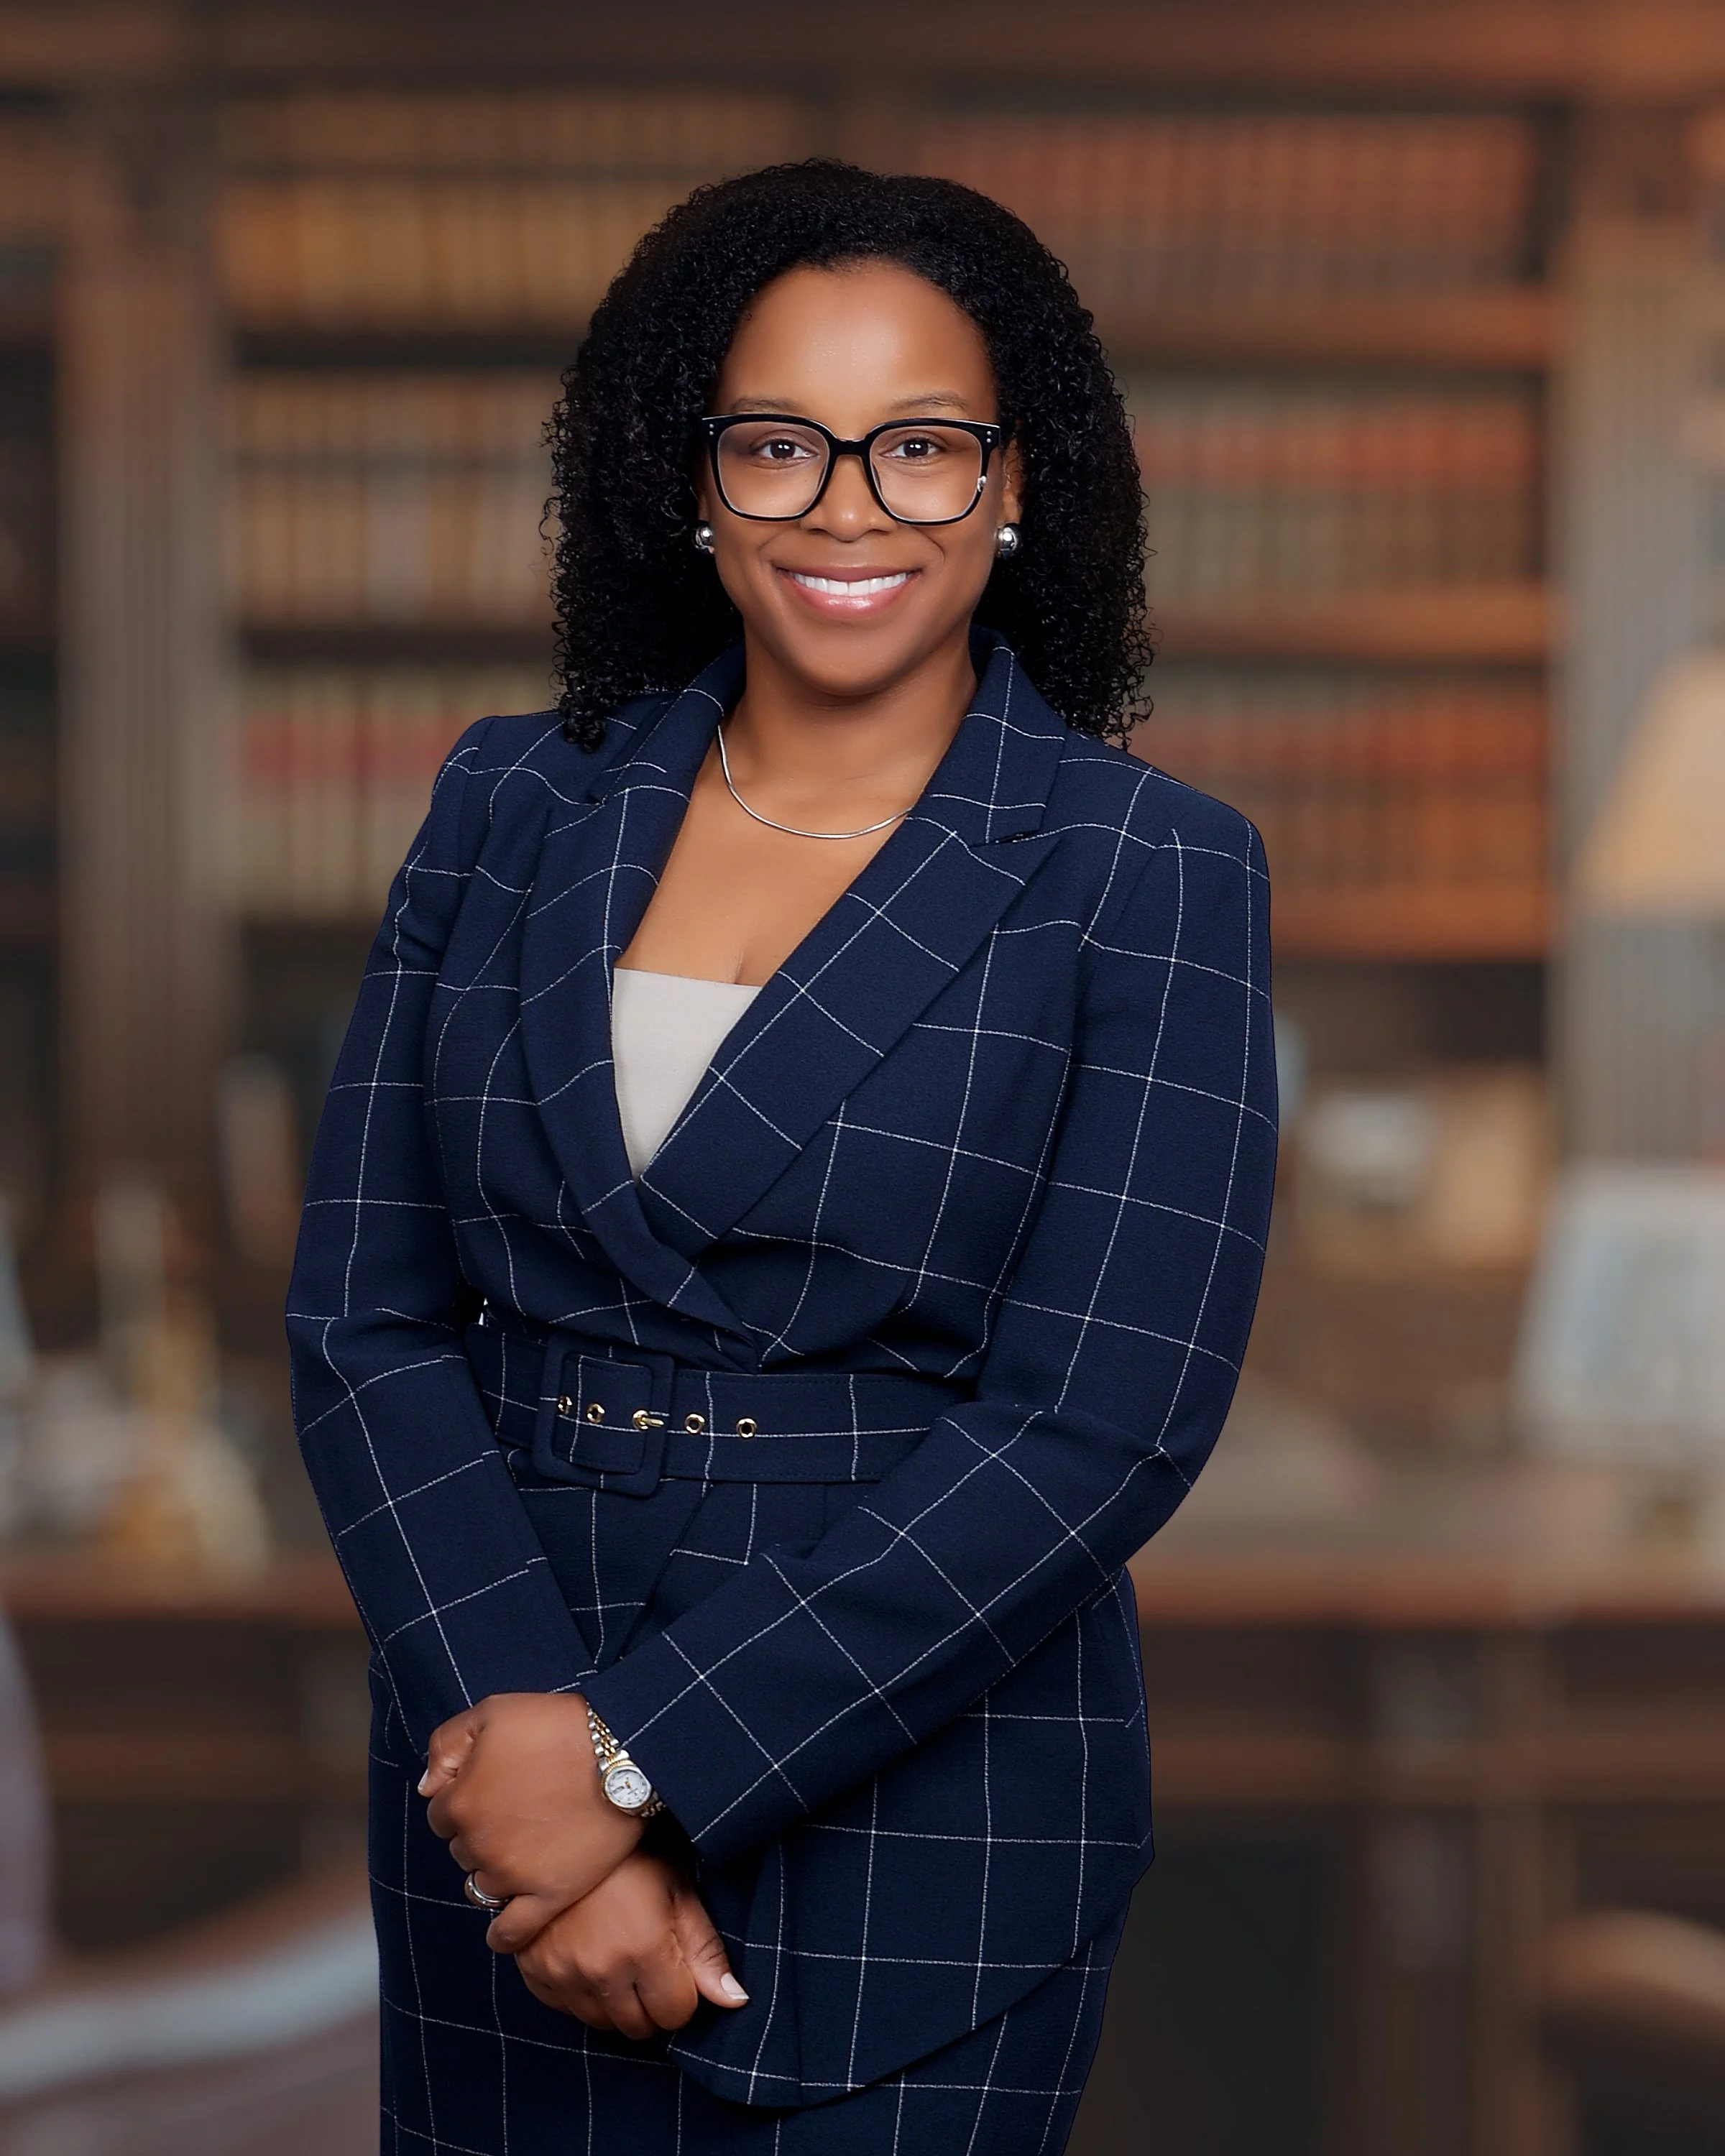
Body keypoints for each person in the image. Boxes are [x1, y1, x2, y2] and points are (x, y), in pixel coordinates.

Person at [288, 159, 1276, 2155]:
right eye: (780, 444)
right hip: (500, 1809)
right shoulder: (510, 802)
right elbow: (362, 1317)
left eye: (920, 447)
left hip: (919, 1836)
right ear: (691, 478)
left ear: (1017, 485)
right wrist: (536, 1776)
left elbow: (1100, 1425)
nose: (848, 508)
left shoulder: (1148, 870)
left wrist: (644, 1763)